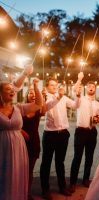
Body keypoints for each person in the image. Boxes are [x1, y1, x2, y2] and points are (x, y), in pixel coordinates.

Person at [0, 65, 42, 200]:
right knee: (3, 174)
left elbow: (38, 104)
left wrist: (36, 87)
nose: (12, 91)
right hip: (2, 146)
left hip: (19, 147)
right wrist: (24, 74)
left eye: (13, 90)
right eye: (8, 90)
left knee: (16, 173)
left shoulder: (18, 108)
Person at [40, 73, 82, 200]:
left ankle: (62, 186)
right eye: (52, 85)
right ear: (47, 87)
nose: (54, 87)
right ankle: (45, 189)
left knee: (60, 162)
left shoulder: (63, 97)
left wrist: (78, 96)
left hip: (63, 134)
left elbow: (75, 106)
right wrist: (58, 96)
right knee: (46, 163)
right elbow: (46, 107)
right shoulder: (44, 97)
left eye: (55, 85)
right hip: (50, 134)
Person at [69, 80, 99, 193]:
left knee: (89, 157)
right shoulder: (80, 99)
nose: (91, 88)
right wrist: (79, 79)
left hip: (92, 131)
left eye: (93, 86)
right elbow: (74, 90)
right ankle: (72, 183)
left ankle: (86, 179)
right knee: (77, 157)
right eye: (89, 86)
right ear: (86, 88)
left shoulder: (98, 104)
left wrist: (98, 119)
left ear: (95, 89)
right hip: (81, 131)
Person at [22, 86, 46, 200]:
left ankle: (27, 193)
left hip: (33, 142)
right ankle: (17, 190)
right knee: (19, 169)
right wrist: (20, 131)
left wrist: (43, 96)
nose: (33, 95)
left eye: (35, 94)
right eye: (30, 93)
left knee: (30, 170)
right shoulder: (20, 109)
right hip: (20, 143)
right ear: (26, 96)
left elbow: (44, 109)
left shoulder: (38, 109)